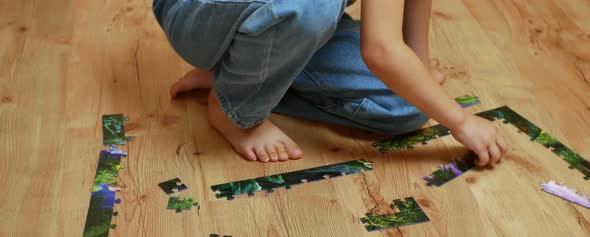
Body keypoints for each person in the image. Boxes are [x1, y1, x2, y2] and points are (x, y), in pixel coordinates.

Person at [153, 0, 508, 165]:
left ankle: (236, 74)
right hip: (197, 14)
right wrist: (459, 121)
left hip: (285, 16)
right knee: (312, 5)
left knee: (408, 105)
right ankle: (234, 110)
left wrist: (419, 63)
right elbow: (381, 50)